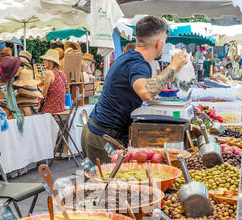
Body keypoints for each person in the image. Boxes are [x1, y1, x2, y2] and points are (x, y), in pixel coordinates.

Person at [81, 16, 187, 163]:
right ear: (159, 43)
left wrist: (174, 70)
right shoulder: (138, 63)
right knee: (108, 184)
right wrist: (173, 66)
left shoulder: (129, 57)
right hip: (103, 138)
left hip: (97, 132)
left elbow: (152, 84)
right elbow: (146, 92)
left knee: (99, 183)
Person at [39, 49, 67, 114]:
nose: (43, 62)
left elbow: (44, 94)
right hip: (61, 107)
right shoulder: (62, 73)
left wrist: (37, 105)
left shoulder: (49, 73)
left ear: (50, 61)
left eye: (44, 60)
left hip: (51, 108)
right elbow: (66, 88)